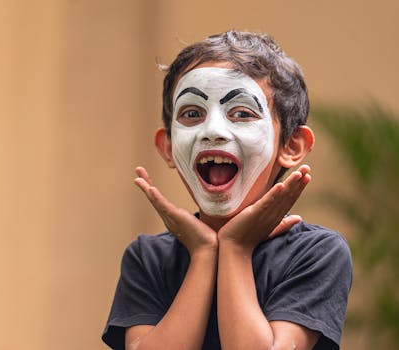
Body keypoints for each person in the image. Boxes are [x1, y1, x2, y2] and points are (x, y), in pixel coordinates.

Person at [102, 30, 352, 350]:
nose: (214, 131)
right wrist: (205, 253)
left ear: (291, 145)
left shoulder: (316, 252)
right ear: (168, 148)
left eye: (242, 113)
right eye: (192, 114)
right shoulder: (149, 257)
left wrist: (234, 248)